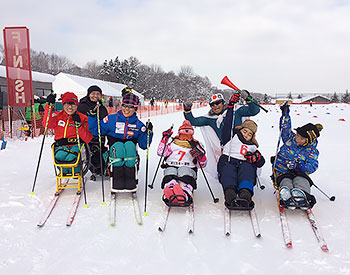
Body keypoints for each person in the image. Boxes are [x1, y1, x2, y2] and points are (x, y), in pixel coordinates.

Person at [183, 91, 260, 179]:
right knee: (229, 172)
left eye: (217, 103)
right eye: (212, 104)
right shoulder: (210, 118)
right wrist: (187, 110)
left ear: (223, 103)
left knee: (244, 170)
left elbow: (254, 111)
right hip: (227, 149)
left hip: (242, 147)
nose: (215, 106)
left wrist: (248, 98)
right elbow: (194, 121)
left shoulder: (236, 110)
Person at [88, 93, 153, 192]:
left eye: (131, 107)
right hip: (115, 151)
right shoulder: (111, 119)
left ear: (135, 108)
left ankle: (130, 178)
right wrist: (92, 117)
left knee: (130, 145)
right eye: (125, 106)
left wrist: (148, 133)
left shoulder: (138, 125)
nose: (127, 109)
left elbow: (144, 145)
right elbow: (96, 130)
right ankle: (117, 179)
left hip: (130, 153)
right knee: (118, 146)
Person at [218, 96, 265, 209]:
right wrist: (230, 107)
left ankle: (245, 194)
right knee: (228, 171)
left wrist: (256, 158)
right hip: (229, 161)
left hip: (244, 164)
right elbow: (228, 123)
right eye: (245, 131)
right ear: (240, 129)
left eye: (249, 134)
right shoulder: (231, 136)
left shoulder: (253, 146)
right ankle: (230, 194)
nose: (246, 135)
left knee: (248, 169)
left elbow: (261, 162)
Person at [274, 103, 322, 210]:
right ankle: (286, 194)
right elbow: (284, 128)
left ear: (308, 141)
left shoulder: (312, 151)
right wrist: (285, 114)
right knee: (285, 180)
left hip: (300, 172)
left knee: (302, 180)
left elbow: (313, 165)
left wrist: (299, 166)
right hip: (283, 170)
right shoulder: (289, 139)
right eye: (297, 135)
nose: (297, 139)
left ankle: (301, 195)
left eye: (301, 138)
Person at [157, 120, 207, 204]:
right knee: (170, 173)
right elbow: (160, 152)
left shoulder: (195, 145)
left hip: (188, 167)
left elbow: (203, 164)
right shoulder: (173, 144)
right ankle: (171, 191)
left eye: (188, 134)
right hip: (171, 165)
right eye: (183, 134)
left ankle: (183, 193)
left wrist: (201, 156)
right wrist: (164, 139)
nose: (185, 137)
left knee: (184, 172)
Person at [43, 92, 92, 175]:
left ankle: (75, 172)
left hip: (76, 145)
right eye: (67, 104)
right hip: (61, 145)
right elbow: (47, 124)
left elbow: (88, 139)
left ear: (77, 105)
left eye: (73, 104)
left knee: (72, 158)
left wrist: (79, 126)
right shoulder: (58, 116)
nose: (70, 107)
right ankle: (65, 172)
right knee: (60, 157)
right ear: (63, 105)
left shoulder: (83, 118)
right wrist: (49, 106)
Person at [77, 85, 109, 180]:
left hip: (100, 134)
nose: (95, 96)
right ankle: (94, 169)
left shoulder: (101, 106)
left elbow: (105, 119)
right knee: (90, 152)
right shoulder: (82, 105)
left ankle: (102, 169)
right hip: (87, 134)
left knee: (101, 150)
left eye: (98, 94)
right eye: (93, 93)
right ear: (89, 94)